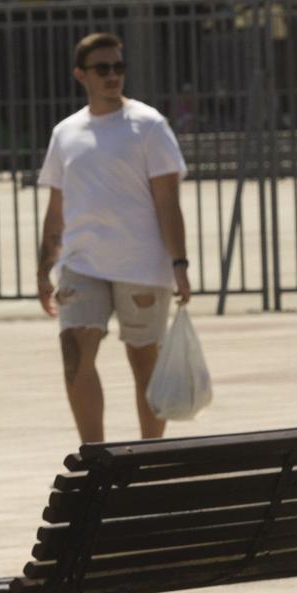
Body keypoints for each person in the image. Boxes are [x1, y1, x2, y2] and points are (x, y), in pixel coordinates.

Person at [35, 32, 193, 443]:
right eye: (102, 68)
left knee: (144, 360)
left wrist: (180, 265)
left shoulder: (149, 126)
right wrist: (43, 268)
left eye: (118, 67)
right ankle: (94, 457)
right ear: (80, 75)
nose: (112, 76)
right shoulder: (65, 133)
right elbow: (56, 205)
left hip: (140, 264)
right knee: (74, 351)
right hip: (81, 263)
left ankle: (149, 457)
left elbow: (167, 201)